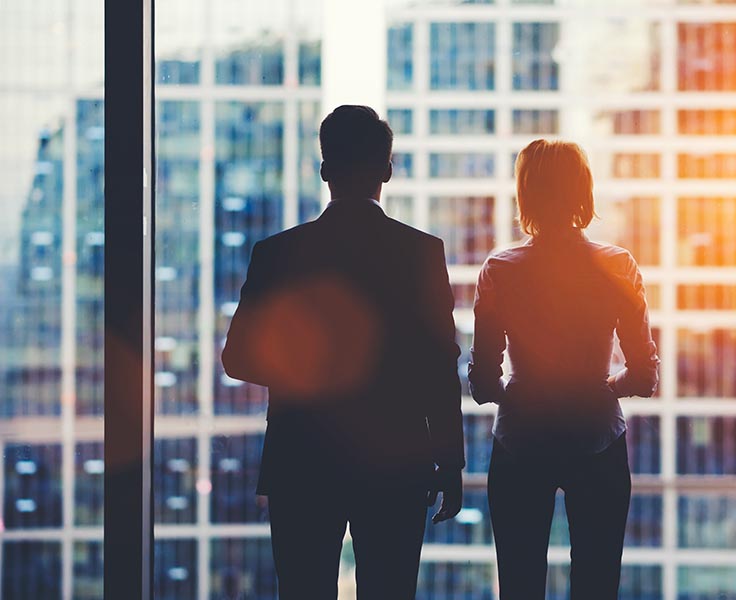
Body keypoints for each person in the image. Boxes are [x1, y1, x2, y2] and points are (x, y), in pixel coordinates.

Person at [221, 105, 465, 599]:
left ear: (325, 171)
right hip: (397, 460)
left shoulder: (278, 253)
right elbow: (440, 365)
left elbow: (237, 358)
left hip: (301, 459)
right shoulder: (421, 253)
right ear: (388, 171)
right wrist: (450, 462)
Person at [468, 139, 660, 599]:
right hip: (598, 435)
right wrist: (601, 385)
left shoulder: (500, 269)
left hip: (520, 439)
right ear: (583, 192)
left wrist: (520, 387)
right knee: (597, 583)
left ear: (526, 195)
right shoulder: (616, 266)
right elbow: (644, 378)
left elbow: (482, 384)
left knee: (519, 581)